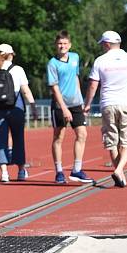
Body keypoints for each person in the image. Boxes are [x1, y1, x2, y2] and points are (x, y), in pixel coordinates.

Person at [83, 30, 127, 188]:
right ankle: (120, 170)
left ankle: (119, 172)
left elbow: (93, 85)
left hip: (107, 104)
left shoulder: (100, 60)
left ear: (107, 44)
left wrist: (87, 104)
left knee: (111, 140)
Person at [0, 43, 36, 183]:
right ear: (10, 55)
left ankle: (4, 172)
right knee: (18, 139)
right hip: (15, 107)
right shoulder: (18, 70)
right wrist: (33, 107)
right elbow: (25, 90)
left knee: (1, 141)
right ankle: (21, 170)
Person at [46, 30, 92, 185]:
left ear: (69, 45)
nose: (62, 46)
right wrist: (64, 108)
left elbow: (76, 77)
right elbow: (55, 87)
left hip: (76, 103)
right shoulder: (52, 64)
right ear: (55, 45)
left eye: (65, 43)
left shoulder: (75, 57)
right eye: (59, 43)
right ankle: (59, 171)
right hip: (60, 105)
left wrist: (81, 100)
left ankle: (77, 169)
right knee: (59, 137)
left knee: (82, 134)